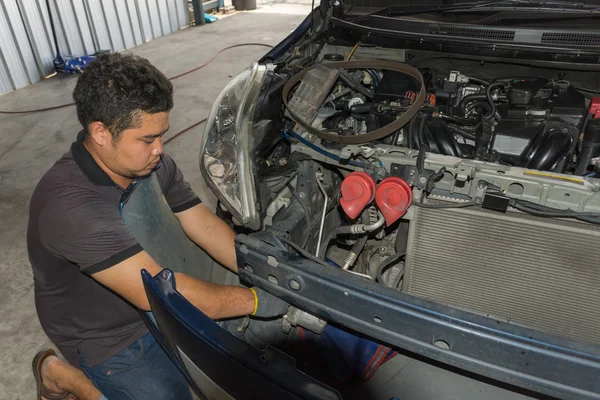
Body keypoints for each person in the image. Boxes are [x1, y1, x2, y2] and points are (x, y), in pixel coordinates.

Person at [27, 52, 289, 400]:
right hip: (108, 337)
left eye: (162, 135)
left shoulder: (149, 164)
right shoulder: (70, 206)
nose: (160, 150)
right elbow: (161, 293)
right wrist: (257, 300)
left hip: (150, 288)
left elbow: (204, 226)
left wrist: (260, 272)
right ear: (101, 133)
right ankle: (57, 373)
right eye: (147, 139)